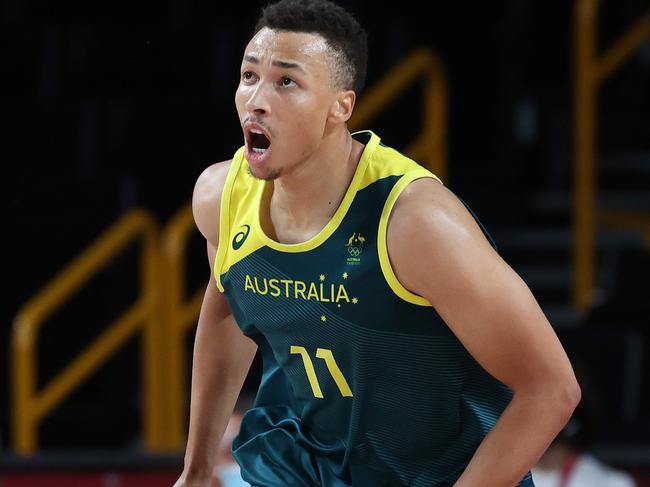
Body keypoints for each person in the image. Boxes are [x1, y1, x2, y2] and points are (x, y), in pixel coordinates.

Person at [174, 0, 581, 485]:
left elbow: (551, 389)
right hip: (304, 463)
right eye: (248, 76)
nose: (257, 99)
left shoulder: (416, 224)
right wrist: (196, 469)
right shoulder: (220, 196)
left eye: (287, 81)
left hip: (434, 474)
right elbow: (227, 308)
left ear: (340, 106)